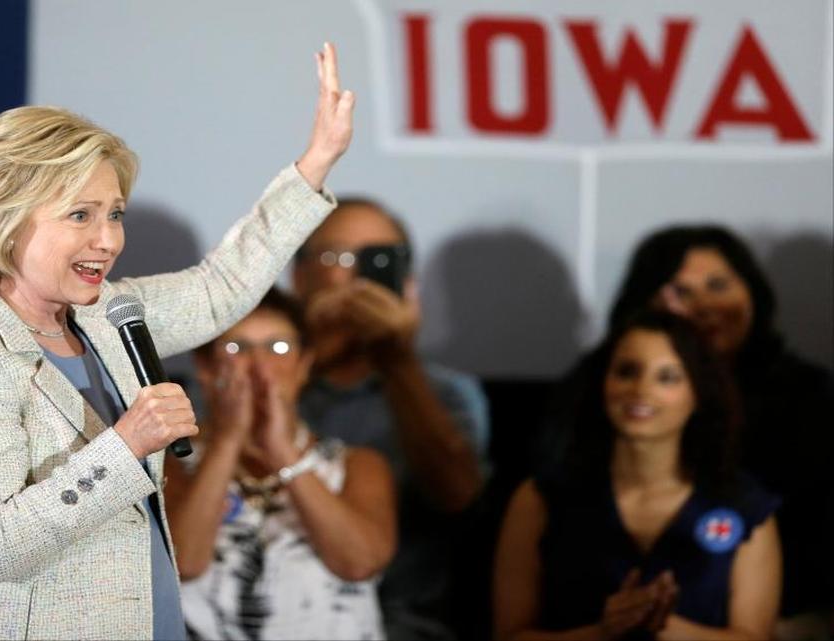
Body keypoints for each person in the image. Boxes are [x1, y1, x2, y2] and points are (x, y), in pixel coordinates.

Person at [0, 43, 353, 640]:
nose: (108, 240)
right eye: (80, 216)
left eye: (114, 214)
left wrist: (315, 164)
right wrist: (126, 445)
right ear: (3, 219)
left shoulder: (103, 316)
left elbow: (219, 288)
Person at [494, 310, 782, 641]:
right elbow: (509, 635)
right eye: (627, 372)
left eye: (668, 377)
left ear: (698, 394)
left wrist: (663, 626)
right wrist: (602, 632)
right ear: (603, 382)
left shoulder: (742, 506)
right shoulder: (540, 499)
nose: (641, 389)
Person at [606, 224, 834, 633]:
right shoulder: (608, 392)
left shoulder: (812, 398)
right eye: (681, 292)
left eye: (718, 285)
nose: (704, 306)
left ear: (753, 293)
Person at [291, 197, 488, 640]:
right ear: (299, 277)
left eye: (378, 260)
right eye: (338, 256)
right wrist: (306, 355)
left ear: (408, 284)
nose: (357, 275)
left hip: (400, 620)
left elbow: (459, 496)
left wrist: (397, 359)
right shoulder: (258, 371)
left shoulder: (446, 392)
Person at [165, 288, 396, 640]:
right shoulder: (172, 464)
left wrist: (282, 451)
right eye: (236, 348)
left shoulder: (357, 464)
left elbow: (359, 563)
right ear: (206, 368)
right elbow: (184, 563)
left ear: (304, 365)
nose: (259, 367)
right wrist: (227, 440)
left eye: (279, 348)